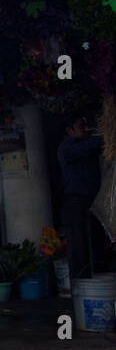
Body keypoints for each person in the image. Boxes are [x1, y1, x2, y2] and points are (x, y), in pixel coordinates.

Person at [58, 112, 104, 281]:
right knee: (79, 247)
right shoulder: (68, 148)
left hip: (89, 202)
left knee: (94, 244)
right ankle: (82, 286)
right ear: (69, 130)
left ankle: (95, 280)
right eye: (81, 127)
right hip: (75, 202)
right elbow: (91, 146)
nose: (86, 130)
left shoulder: (85, 145)